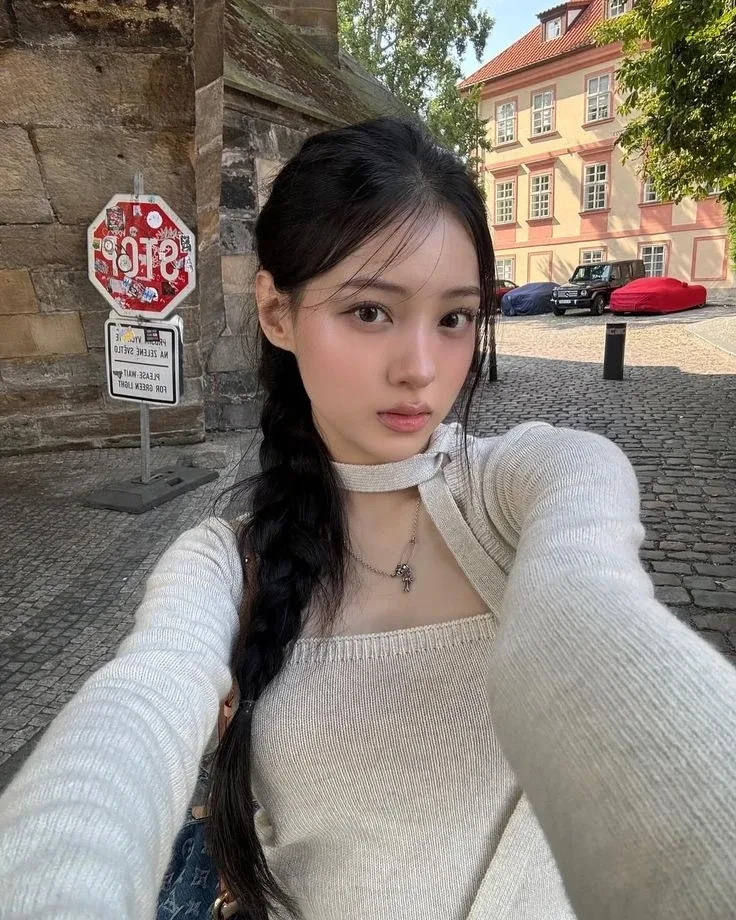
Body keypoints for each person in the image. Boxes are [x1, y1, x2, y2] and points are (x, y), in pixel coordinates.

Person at [1, 117, 735, 920]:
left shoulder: (532, 488)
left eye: (454, 318)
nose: (420, 368)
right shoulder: (225, 567)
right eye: (371, 312)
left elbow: (591, 625)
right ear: (276, 312)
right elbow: (133, 717)